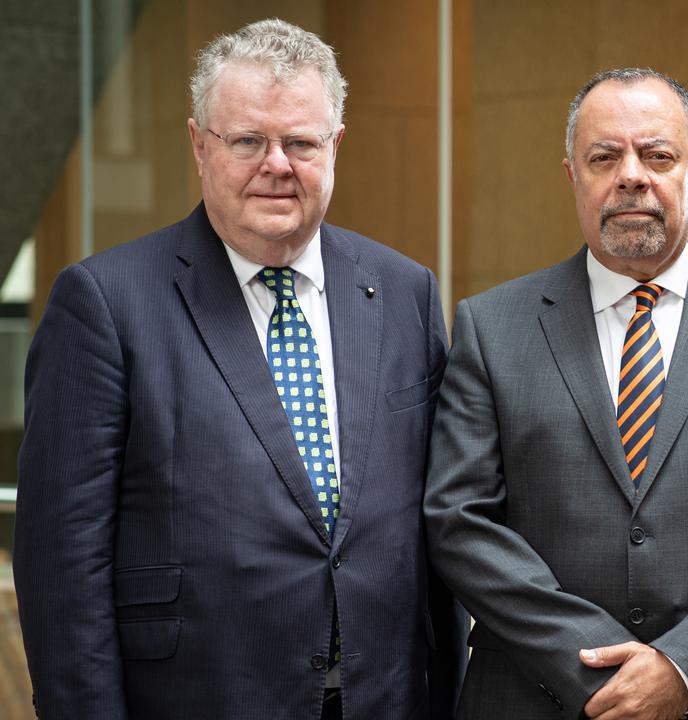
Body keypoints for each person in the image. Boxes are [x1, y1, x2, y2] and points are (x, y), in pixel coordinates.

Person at [14, 19, 464, 719]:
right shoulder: (105, 303)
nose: (276, 164)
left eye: (301, 143)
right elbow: (63, 570)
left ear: (335, 147)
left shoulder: (406, 292)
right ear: (199, 146)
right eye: (248, 140)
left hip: (384, 696)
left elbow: (437, 528)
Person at [423, 67, 688, 720]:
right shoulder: (491, 327)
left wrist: (683, 667)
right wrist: (597, 665)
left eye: (657, 154)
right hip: (533, 698)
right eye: (604, 156)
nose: (631, 175)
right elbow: (460, 520)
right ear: (572, 176)